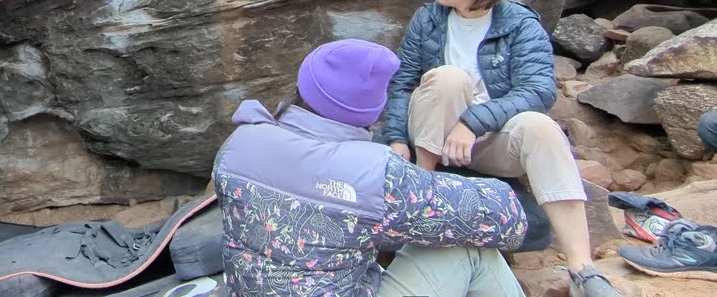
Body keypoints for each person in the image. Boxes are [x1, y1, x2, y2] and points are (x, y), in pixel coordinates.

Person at [382, 0, 623, 297]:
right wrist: (397, 139)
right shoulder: (428, 18)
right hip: (430, 135)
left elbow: (539, 91)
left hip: (485, 141)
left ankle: (582, 270)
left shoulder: (520, 23)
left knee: (541, 127)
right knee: (449, 78)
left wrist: (474, 121)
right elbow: (403, 83)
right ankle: (420, 196)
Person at [213, 39, 529, 296]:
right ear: (373, 112)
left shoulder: (239, 142)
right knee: (468, 249)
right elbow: (507, 220)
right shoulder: (377, 174)